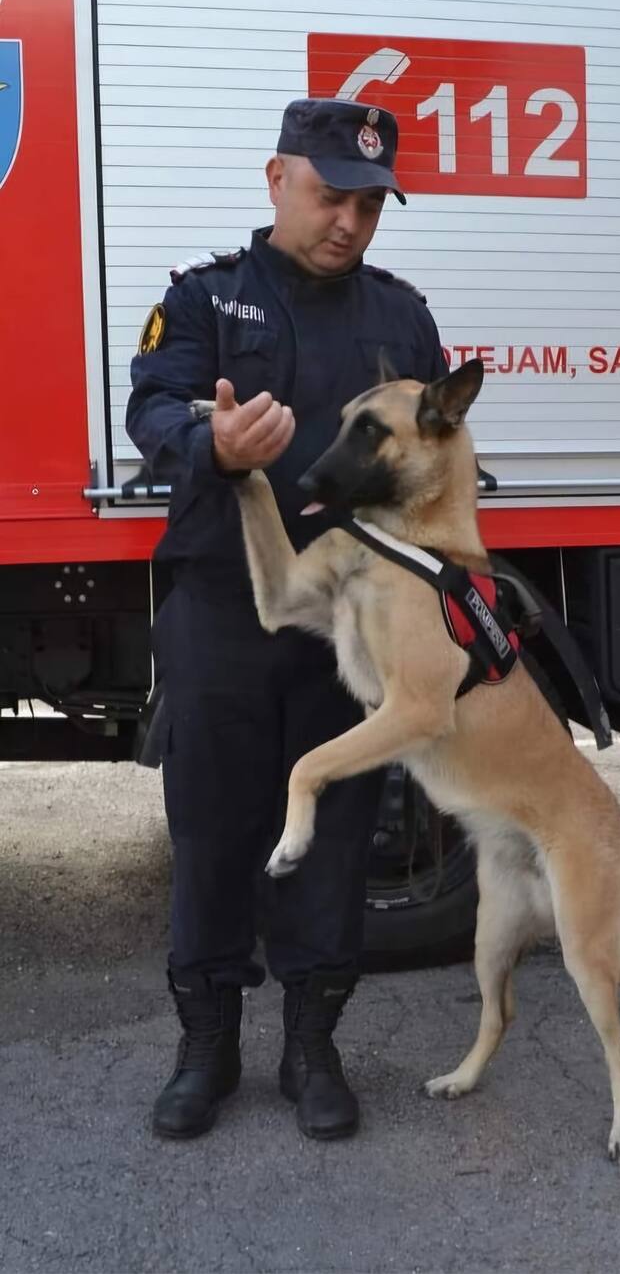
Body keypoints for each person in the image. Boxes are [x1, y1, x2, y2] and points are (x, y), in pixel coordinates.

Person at [126, 98, 447, 1143]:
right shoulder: (208, 299)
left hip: (347, 623)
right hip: (224, 604)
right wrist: (210, 442)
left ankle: (313, 1043)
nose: (348, 220)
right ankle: (205, 1046)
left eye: (367, 203)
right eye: (328, 194)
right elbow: (152, 406)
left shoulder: (400, 318)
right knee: (214, 829)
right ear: (277, 179)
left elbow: (434, 451)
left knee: (337, 834)